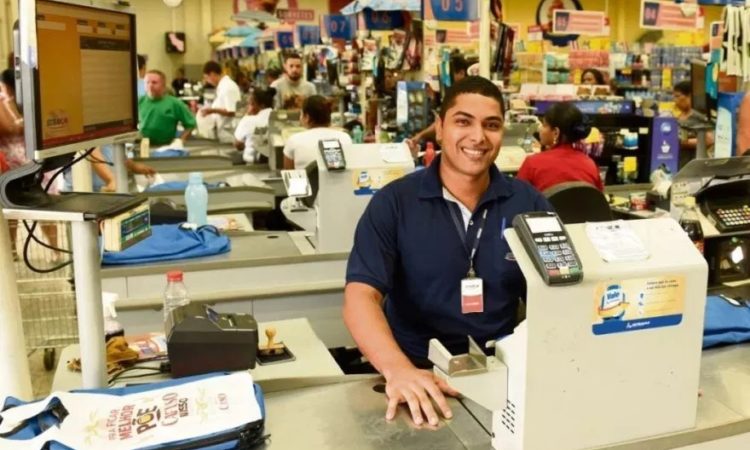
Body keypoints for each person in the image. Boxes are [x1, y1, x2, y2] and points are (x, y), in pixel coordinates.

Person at [343, 76, 552, 426]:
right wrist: (399, 370)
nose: (478, 137)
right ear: (439, 129)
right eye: (462, 122)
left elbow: (556, 295)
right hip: (417, 373)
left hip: (502, 374)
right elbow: (360, 297)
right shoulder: (395, 203)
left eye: (491, 125)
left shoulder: (528, 203)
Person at [516, 102, 603, 193]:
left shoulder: (532, 164)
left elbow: (518, 200)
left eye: (544, 125)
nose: (540, 129)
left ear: (556, 132)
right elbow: (598, 200)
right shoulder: (590, 165)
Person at [405, 55, 469, 156]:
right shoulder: (452, 93)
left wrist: (420, 136)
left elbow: (443, 121)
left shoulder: (466, 96)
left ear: (461, 73)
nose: (445, 80)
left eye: (449, 75)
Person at [283, 95, 352, 170]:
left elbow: (289, 174)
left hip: (306, 182)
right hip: (339, 182)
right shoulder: (345, 138)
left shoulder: (294, 140)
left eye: (301, 113)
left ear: (307, 117)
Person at [139, 70, 196, 147]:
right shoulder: (139, 102)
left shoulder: (174, 103)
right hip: (142, 146)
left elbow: (191, 124)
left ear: (163, 85)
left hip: (166, 148)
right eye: (147, 82)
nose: (150, 85)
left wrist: (180, 141)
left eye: (154, 82)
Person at [673, 80, 714, 167]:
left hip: (693, 164)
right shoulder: (679, 116)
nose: (675, 100)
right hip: (680, 163)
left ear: (689, 96)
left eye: (677, 96)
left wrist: (684, 143)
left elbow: (709, 140)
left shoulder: (698, 116)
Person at [200, 61, 241, 142]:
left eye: (206, 78)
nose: (207, 81)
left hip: (230, 134)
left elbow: (232, 111)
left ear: (212, 74)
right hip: (223, 132)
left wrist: (212, 111)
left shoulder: (228, 87)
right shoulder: (222, 87)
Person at [234, 87, 275, 163]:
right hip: (274, 162)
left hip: (252, 163)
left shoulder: (248, 120)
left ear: (261, 105)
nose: (247, 107)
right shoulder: (277, 117)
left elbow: (237, 145)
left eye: (250, 104)